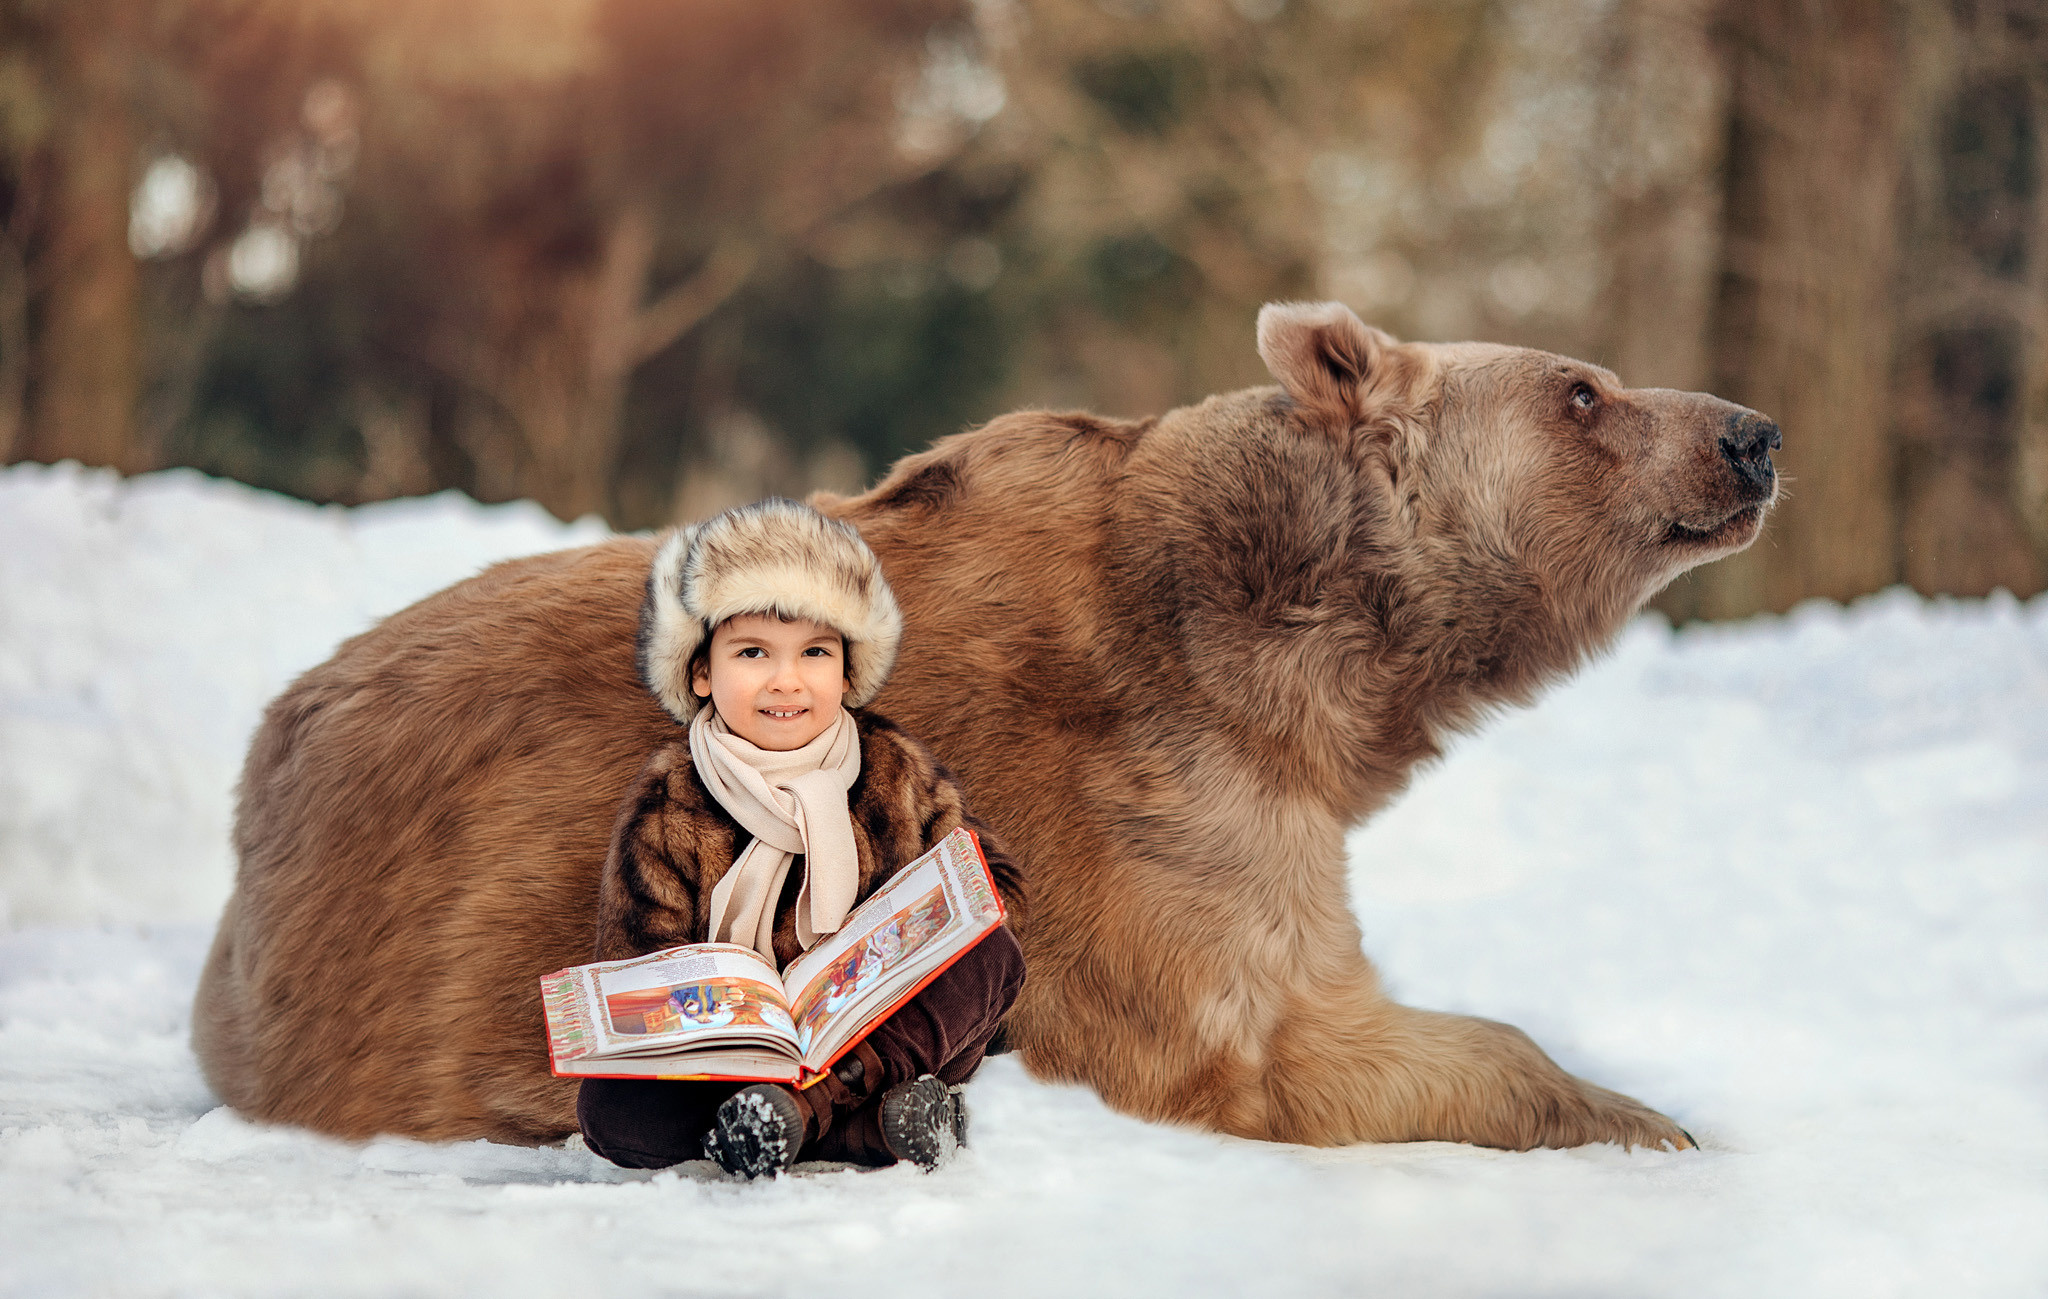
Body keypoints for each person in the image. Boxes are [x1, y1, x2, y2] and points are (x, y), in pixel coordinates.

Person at [576, 499, 1027, 1179]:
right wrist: (715, 1016)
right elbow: (639, 954)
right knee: (609, 1109)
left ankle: (810, 1110)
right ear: (701, 671)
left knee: (992, 954)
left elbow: (993, 882)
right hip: (738, 1067)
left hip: (885, 1037)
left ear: (847, 672)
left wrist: (922, 925)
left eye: (814, 652)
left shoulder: (891, 769)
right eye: (752, 651)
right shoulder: (670, 798)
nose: (786, 679)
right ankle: (867, 1130)